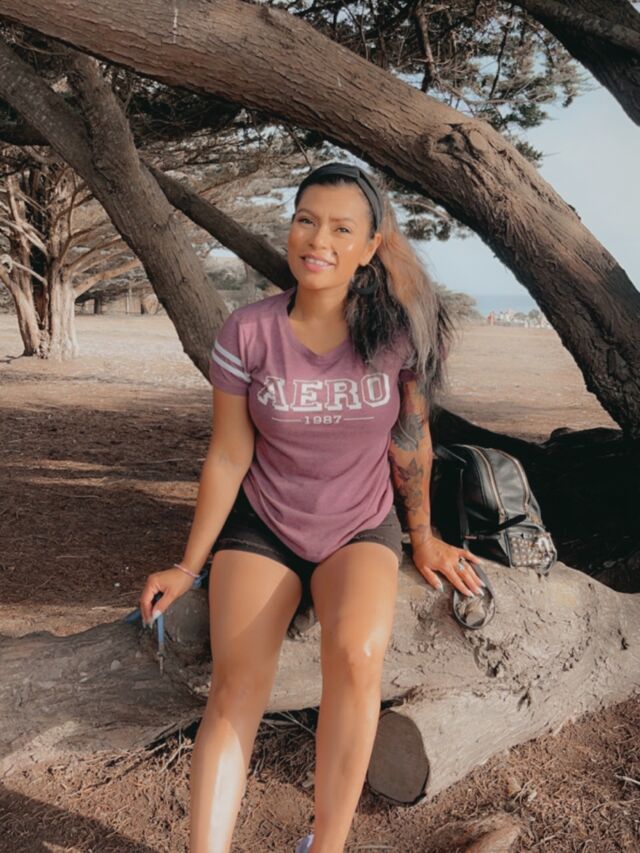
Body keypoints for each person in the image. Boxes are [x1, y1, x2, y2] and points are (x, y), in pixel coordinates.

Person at [139, 161, 485, 853]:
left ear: (370, 246)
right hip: (264, 525)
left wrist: (422, 537)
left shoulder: (397, 334)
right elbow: (228, 455)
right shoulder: (248, 331)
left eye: (341, 229)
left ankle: (324, 846)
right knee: (236, 683)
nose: (318, 240)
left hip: (359, 524)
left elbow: (411, 440)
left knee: (358, 656)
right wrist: (187, 565)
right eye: (306, 220)